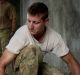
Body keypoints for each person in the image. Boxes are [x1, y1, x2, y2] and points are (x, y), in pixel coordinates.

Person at [0, 2, 80, 75]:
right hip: (18, 71)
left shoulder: (54, 37)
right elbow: (1, 64)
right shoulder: (21, 34)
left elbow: (71, 61)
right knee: (33, 49)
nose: (30, 27)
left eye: (35, 22)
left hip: (36, 66)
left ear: (46, 21)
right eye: (29, 21)